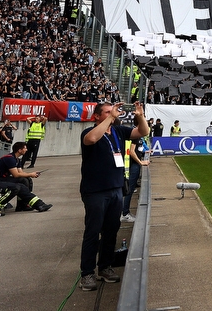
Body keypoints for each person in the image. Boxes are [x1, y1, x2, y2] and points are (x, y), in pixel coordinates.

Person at [78, 101, 150, 291]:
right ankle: (87, 273)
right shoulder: (88, 132)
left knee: (111, 231)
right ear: (97, 116)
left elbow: (143, 132)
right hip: (95, 191)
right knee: (92, 232)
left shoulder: (118, 132)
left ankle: (105, 267)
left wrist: (140, 115)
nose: (114, 114)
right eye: (108, 112)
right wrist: (111, 118)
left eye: (113, 112)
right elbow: (92, 139)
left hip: (116, 189)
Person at [0, 144, 52, 215]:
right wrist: (31, 174)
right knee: (18, 185)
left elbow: (20, 172)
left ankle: (39, 204)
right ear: (19, 150)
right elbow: (15, 175)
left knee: (24, 181)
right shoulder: (9, 158)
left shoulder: (16, 159)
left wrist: (31, 174)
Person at [120, 135, 149, 223]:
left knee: (130, 190)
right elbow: (131, 152)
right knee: (129, 190)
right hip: (133, 166)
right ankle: (124, 213)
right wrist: (140, 162)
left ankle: (125, 212)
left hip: (134, 165)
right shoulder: (135, 137)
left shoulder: (139, 138)